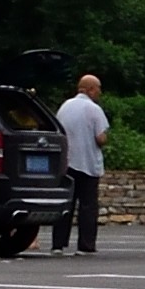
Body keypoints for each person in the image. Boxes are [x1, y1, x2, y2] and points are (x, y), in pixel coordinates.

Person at [53, 71, 109, 255]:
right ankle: (86, 245)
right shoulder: (93, 109)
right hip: (87, 164)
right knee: (87, 206)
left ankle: (58, 244)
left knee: (66, 204)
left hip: (67, 162)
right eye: (98, 88)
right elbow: (100, 138)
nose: (100, 92)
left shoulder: (65, 106)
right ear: (91, 89)